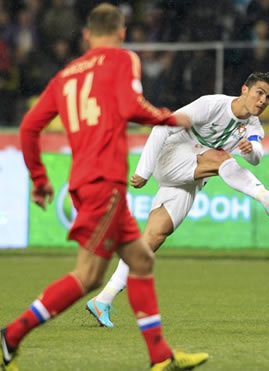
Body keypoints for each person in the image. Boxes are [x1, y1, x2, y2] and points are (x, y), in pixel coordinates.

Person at [1, 4, 208, 371]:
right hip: (104, 182)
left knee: (141, 260)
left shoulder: (66, 76)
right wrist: (167, 117)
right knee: (87, 277)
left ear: (85, 35)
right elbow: (131, 105)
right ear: (122, 33)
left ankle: (161, 357)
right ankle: (10, 337)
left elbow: (29, 127)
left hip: (85, 181)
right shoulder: (122, 59)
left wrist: (39, 179)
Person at [85, 72, 269, 327]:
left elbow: (256, 155)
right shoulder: (212, 104)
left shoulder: (254, 126)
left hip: (191, 176)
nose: (263, 100)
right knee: (222, 158)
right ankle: (268, 198)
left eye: (268, 97)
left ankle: (104, 299)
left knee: (154, 237)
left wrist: (250, 150)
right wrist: (143, 171)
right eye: (259, 92)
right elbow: (163, 126)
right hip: (172, 157)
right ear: (244, 89)